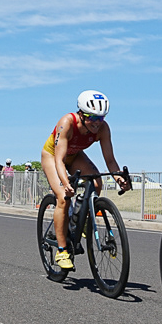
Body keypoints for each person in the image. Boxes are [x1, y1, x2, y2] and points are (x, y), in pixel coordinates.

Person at [41, 90, 131, 270]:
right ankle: (62, 250)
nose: (97, 123)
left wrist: (119, 178)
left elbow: (110, 160)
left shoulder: (103, 129)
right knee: (63, 198)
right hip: (53, 156)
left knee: (97, 182)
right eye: (93, 118)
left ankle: (79, 218)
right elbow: (59, 160)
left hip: (75, 155)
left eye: (101, 118)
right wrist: (66, 184)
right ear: (81, 114)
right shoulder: (67, 123)